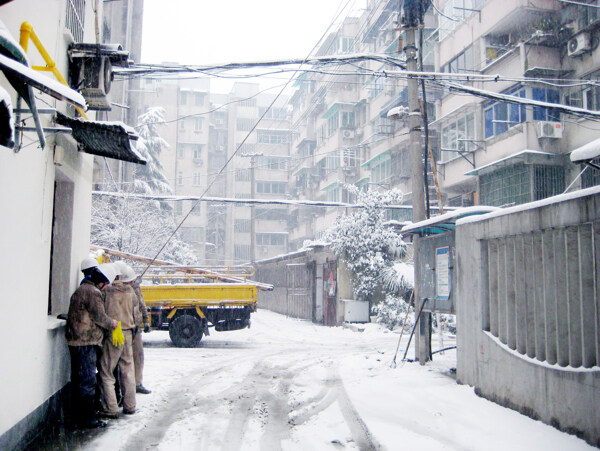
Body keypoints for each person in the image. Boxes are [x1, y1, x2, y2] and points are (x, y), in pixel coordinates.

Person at [66, 263, 118, 429]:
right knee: (88, 381)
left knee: (78, 380)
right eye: (106, 284)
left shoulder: (82, 289)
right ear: (101, 281)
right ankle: (88, 419)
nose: (106, 287)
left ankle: (76, 417)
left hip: (76, 341)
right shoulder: (92, 293)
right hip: (86, 342)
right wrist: (114, 324)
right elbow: (100, 317)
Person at [98, 263, 138, 418]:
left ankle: (111, 408)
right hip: (128, 332)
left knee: (107, 371)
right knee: (128, 370)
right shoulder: (130, 291)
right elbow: (135, 312)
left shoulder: (107, 291)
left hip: (114, 331)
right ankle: (130, 405)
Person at [121, 264, 152, 394]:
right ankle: (125, 386)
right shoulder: (118, 291)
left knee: (138, 356)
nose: (133, 283)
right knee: (125, 359)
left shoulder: (135, 289)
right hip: (124, 328)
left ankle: (137, 383)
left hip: (136, 328)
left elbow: (142, 305)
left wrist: (145, 321)